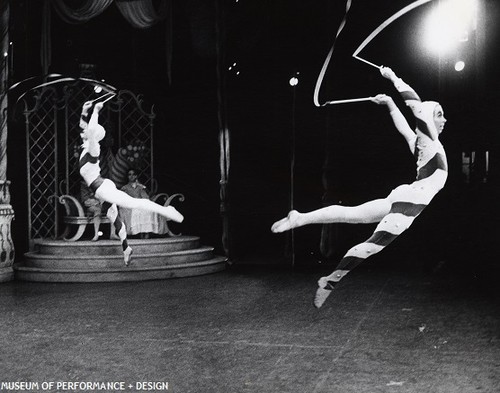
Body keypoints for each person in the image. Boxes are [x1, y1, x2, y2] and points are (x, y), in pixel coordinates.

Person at [271, 66, 448, 308]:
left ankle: (300, 218)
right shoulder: (429, 139)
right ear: (428, 117)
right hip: (411, 200)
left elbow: (404, 129)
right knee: (373, 244)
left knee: (352, 215)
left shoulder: (421, 144)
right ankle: (329, 282)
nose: (444, 119)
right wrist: (393, 78)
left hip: (406, 194)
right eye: (439, 114)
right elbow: (415, 103)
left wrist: (389, 104)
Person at [79, 99, 184, 266]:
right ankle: (126, 248)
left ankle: (167, 211)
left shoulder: (93, 148)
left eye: (86, 133)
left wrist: (96, 111)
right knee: (112, 215)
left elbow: (89, 130)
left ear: (93, 136)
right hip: (102, 187)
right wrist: (85, 111)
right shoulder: (86, 146)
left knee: (134, 203)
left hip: (102, 188)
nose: (83, 132)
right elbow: (85, 127)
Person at [119, 169, 167, 238]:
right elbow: (122, 199)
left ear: (136, 176)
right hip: (130, 206)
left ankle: (146, 232)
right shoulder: (125, 188)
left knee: (147, 210)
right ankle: (139, 232)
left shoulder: (140, 187)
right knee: (137, 211)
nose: (131, 176)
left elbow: (145, 197)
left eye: (133, 174)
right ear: (127, 176)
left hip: (140, 204)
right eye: (129, 174)